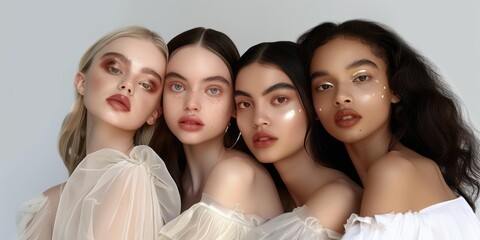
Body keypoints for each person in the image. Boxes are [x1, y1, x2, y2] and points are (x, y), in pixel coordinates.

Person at [298, 19, 480, 239]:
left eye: (361, 77)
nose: (341, 97)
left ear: (395, 88)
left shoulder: (394, 171)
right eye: (324, 86)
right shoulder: (398, 169)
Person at [14, 26, 181, 240]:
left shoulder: (131, 180)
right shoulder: (46, 204)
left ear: (154, 114)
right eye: (114, 69)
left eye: (146, 84)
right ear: (81, 82)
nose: (127, 85)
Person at [150, 27, 284, 240]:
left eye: (213, 90)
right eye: (177, 86)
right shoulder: (173, 178)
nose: (191, 104)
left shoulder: (236, 175)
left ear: (235, 105)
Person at [234, 41, 362, 240]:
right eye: (245, 104)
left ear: (313, 104)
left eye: (280, 99)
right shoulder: (273, 196)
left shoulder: (341, 196)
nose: (258, 119)